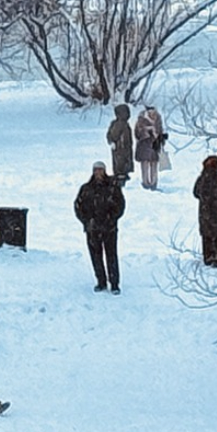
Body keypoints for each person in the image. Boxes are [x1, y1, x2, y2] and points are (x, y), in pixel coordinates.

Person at [74, 162, 127, 293]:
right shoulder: (86, 189)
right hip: (92, 229)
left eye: (100, 170)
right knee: (96, 256)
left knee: (111, 255)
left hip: (109, 229)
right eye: (96, 170)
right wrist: (87, 221)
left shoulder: (112, 188)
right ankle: (101, 281)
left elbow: (120, 205)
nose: (98, 173)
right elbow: (78, 207)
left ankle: (114, 283)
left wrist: (111, 219)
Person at [193, 155, 217, 267]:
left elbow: (195, 193)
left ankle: (208, 257)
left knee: (207, 236)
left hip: (205, 213)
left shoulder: (201, 180)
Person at [134, 106, 167, 190]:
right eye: (150, 112)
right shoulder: (141, 119)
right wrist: (147, 131)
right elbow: (137, 133)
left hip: (155, 145)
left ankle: (154, 183)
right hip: (144, 145)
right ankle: (145, 182)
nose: (152, 113)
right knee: (145, 164)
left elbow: (161, 131)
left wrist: (159, 136)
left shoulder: (158, 119)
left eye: (153, 111)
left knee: (154, 164)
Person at [106, 104, 134, 181]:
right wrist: (112, 141)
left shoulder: (121, 123)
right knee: (121, 166)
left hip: (123, 148)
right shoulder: (120, 123)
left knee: (122, 165)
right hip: (121, 148)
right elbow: (114, 135)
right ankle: (121, 178)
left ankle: (122, 176)